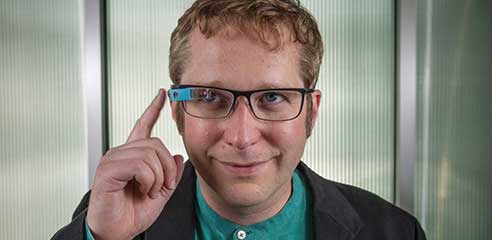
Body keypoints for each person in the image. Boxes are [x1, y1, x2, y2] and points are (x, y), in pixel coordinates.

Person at [53, 0, 426, 239]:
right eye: (211, 97)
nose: (242, 136)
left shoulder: (393, 231)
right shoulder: (109, 221)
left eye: (273, 97)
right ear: (177, 111)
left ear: (311, 113)